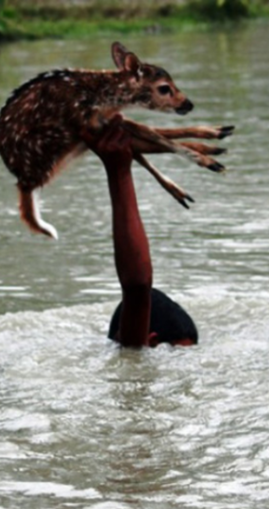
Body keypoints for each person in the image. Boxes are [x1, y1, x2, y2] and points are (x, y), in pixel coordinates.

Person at [82, 116, 198, 348]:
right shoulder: (135, 353)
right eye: (178, 354)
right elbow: (137, 288)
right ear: (151, 340)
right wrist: (119, 171)